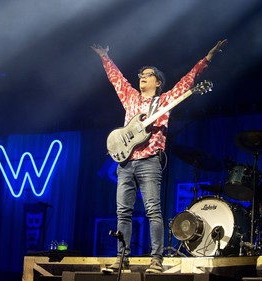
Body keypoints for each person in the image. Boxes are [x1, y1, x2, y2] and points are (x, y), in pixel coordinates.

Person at [91, 39, 227, 273]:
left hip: (150, 161)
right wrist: (105, 56)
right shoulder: (131, 98)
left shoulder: (164, 102)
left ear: (158, 82)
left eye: (148, 74)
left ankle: (156, 259)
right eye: (141, 74)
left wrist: (207, 59)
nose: (142, 76)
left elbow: (187, 81)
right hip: (125, 163)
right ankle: (121, 259)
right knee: (122, 211)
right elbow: (117, 79)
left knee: (153, 210)